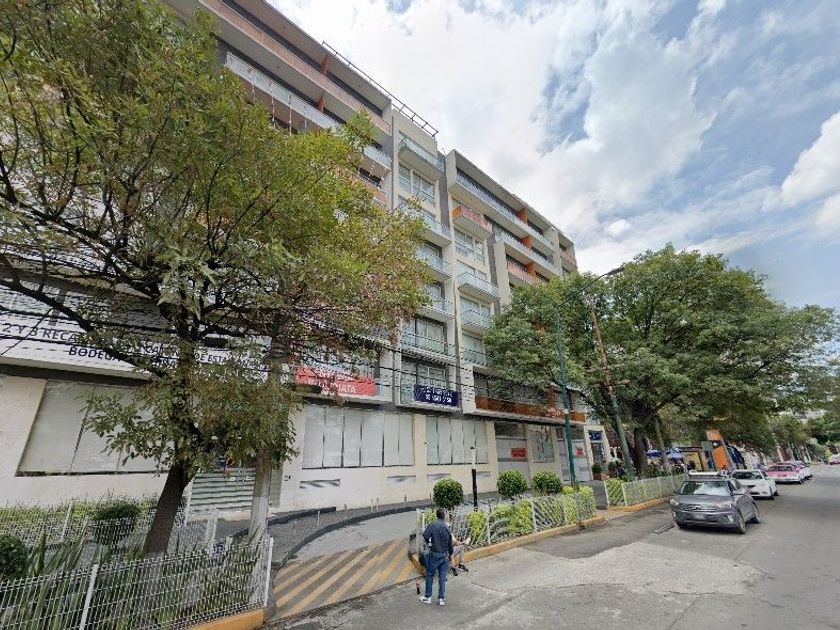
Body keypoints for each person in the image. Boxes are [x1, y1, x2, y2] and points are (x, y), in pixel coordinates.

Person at [420, 507, 453, 606]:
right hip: (444, 555)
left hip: (434, 554)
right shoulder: (447, 527)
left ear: (436, 515)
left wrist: (430, 543)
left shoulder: (432, 525)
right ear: (444, 516)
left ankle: (428, 597)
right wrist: (450, 554)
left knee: (430, 574)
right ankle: (441, 599)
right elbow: (450, 542)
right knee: (442, 576)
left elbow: (425, 535)